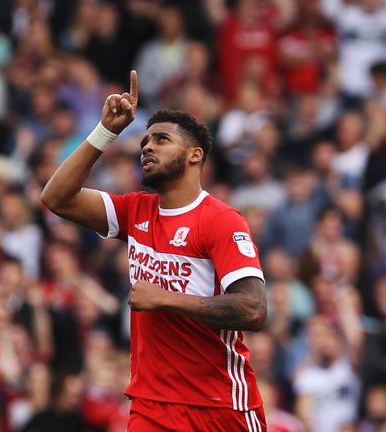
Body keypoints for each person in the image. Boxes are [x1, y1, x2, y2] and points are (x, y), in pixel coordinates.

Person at [41, 70, 268, 431]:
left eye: (162, 140)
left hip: (220, 405)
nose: (147, 147)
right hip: (152, 406)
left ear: (195, 156)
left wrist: (166, 298)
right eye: (145, 141)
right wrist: (107, 132)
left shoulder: (222, 221)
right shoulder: (136, 211)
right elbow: (56, 198)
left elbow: (254, 310)